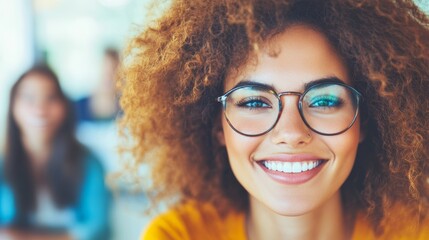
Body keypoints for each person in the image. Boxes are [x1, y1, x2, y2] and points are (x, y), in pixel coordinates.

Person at [119, 0, 429, 239]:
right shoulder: (178, 235)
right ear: (218, 126)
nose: (291, 132)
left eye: (324, 100)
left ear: (365, 118)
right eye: (254, 102)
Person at [0, 65, 111, 240]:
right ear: (13, 107)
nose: (40, 109)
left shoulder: (90, 164)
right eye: (29, 98)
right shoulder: (2, 164)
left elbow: (98, 228)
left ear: (64, 107)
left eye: (50, 98)